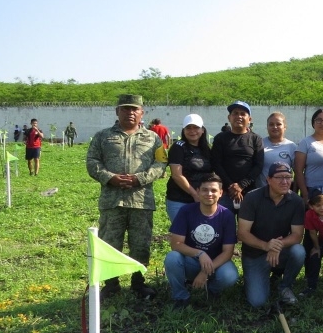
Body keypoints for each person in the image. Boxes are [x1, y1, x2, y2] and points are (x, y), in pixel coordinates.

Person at [86, 94, 167, 299]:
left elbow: (161, 164)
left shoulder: (153, 138)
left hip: (141, 199)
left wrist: (140, 178)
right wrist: (110, 177)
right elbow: (92, 161)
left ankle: (138, 282)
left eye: (134, 109)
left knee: (141, 243)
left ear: (142, 113)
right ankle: (111, 284)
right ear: (117, 111)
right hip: (112, 200)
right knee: (110, 242)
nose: (130, 113)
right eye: (125, 109)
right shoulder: (102, 136)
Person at [164, 174, 240, 309]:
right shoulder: (186, 211)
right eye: (205, 190)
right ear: (197, 191)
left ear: (221, 193)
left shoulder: (227, 215)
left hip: (216, 264)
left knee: (230, 275)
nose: (209, 194)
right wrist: (200, 253)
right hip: (192, 261)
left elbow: (228, 252)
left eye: (214, 190)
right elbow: (176, 244)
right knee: (172, 258)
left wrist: (205, 272)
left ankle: (212, 289)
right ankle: (181, 297)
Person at [238, 162, 306, 308]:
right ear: (268, 179)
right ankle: (258, 278)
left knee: (298, 251)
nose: (285, 181)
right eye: (280, 177)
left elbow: (297, 235)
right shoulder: (252, 198)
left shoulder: (296, 201)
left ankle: (284, 286)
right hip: (255, 254)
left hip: (279, 251)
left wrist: (276, 246)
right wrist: (265, 245)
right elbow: (242, 233)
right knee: (257, 302)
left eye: (288, 177)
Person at [211, 101, 264, 213]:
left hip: (249, 193)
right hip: (225, 192)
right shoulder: (220, 138)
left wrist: (241, 185)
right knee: (223, 227)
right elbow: (216, 164)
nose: (239, 116)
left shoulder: (256, 139)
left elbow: (258, 165)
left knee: (247, 228)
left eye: (243, 114)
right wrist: (230, 186)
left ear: (249, 119)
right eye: (235, 113)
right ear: (229, 117)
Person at [166, 113, 212, 222]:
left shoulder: (206, 149)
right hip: (180, 200)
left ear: (202, 130)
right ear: (183, 130)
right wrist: (195, 194)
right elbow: (177, 175)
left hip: (202, 200)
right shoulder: (178, 147)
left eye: (196, 128)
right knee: (182, 236)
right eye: (188, 128)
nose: (192, 131)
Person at [262, 112, 297, 181]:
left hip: (284, 190)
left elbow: (297, 173)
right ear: (267, 127)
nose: (275, 127)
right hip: (262, 190)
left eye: (278, 124)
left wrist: (294, 190)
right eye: (271, 124)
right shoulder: (259, 144)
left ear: (285, 127)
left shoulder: (292, 146)